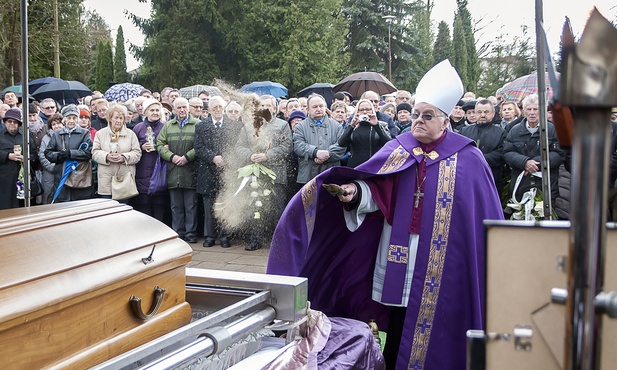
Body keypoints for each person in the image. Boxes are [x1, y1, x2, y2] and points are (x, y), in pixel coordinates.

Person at [267, 60, 504, 370]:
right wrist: (354, 193)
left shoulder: (469, 159)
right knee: (398, 313)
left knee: (439, 317)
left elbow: (479, 218)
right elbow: (380, 192)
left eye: (427, 116)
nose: (418, 121)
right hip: (398, 249)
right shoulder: (400, 148)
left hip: (444, 262)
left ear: (446, 121)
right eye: (416, 114)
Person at [236, 95, 292, 251]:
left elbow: (286, 147)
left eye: (269, 106)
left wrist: (268, 155)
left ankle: (278, 241)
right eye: (263, 106)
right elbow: (239, 146)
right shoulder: (248, 126)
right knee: (256, 208)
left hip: (276, 174)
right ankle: (255, 239)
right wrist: (249, 155)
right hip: (255, 174)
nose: (266, 108)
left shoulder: (282, 125)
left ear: (275, 108)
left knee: (277, 208)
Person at [195, 96, 243, 249]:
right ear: (209, 110)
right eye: (214, 107)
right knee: (209, 206)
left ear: (224, 109)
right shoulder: (201, 126)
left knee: (226, 204)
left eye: (220, 107)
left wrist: (226, 159)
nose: (217, 110)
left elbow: (237, 147)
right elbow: (198, 147)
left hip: (227, 172)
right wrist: (213, 157)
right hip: (208, 171)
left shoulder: (234, 126)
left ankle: (225, 236)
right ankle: (209, 236)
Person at [503, 93, 564, 204]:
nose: (532, 113)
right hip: (521, 184)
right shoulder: (514, 130)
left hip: (546, 185)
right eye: (528, 109)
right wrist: (524, 162)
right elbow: (507, 152)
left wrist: (535, 163)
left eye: (535, 109)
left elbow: (559, 153)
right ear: (523, 111)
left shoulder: (553, 129)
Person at [156, 97, 199, 243]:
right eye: (179, 108)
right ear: (174, 109)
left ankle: (191, 234)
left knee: (190, 206)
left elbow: (199, 145)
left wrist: (187, 157)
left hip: (190, 170)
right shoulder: (168, 126)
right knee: (175, 206)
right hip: (173, 170)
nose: (182, 110)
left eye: (184, 107)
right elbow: (159, 145)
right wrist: (172, 157)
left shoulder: (197, 124)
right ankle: (178, 233)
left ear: (189, 108)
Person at [293, 94, 345, 191]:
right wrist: (315, 152)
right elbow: (298, 146)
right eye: (315, 107)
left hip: (331, 175)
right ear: (308, 109)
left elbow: (341, 146)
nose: (319, 109)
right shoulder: (300, 127)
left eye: (321, 106)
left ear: (325, 107)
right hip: (307, 176)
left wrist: (326, 154)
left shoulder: (337, 126)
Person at [92, 104, 142, 200]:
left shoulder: (131, 134)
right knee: (107, 211)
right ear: (110, 118)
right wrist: (106, 156)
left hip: (125, 179)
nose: (119, 121)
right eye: (116, 118)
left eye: (121, 118)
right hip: (106, 179)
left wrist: (124, 157)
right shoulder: (100, 134)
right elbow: (94, 152)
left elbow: (137, 153)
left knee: (123, 211)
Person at [44, 105, 93, 202]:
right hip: (61, 174)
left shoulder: (85, 133)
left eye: (74, 118)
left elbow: (89, 152)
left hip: (79, 175)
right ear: (64, 120)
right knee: (62, 203)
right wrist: (59, 156)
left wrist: (71, 153)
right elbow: (48, 153)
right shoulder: (57, 134)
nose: (71, 121)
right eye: (69, 118)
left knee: (79, 204)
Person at [132, 98, 168, 221]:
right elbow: (132, 147)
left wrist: (164, 147)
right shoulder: (138, 128)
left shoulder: (165, 127)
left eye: (157, 110)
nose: (155, 113)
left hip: (159, 171)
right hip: (142, 171)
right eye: (152, 110)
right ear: (146, 112)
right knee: (144, 207)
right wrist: (141, 147)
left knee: (159, 206)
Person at [459, 99, 506, 193]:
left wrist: (481, 159)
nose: (483, 115)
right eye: (479, 112)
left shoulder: (501, 132)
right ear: (475, 113)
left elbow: (502, 152)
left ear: (493, 113)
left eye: (486, 112)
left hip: (492, 176)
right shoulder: (464, 131)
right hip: (468, 177)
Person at [338, 99, 391, 168]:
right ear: (357, 111)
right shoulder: (353, 126)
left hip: (375, 165)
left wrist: (376, 125)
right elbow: (341, 143)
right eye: (361, 110)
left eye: (368, 109)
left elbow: (388, 143)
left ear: (372, 110)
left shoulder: (381, 125)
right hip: (355, 166)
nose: (365, 112)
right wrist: (351, 126)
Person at [0, 108, 36, 209]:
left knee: (22, 206)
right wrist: (7, 155)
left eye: (15, 122)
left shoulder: (25, 136)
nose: (12, 123)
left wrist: (26, 158)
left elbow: (34, 155)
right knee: (5, 206)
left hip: (22, 178)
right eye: (9, 121)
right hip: (4, 179)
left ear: (19, 124)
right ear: (5, 122)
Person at [39, 113, 64, 204]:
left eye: (59, 123)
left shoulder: (68, 136)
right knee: (48, 196)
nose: (56, 126)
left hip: (64, 171)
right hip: (49, 173)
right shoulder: (46, 138)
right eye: (53, 124)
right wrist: (53, 167)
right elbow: (42, 155)